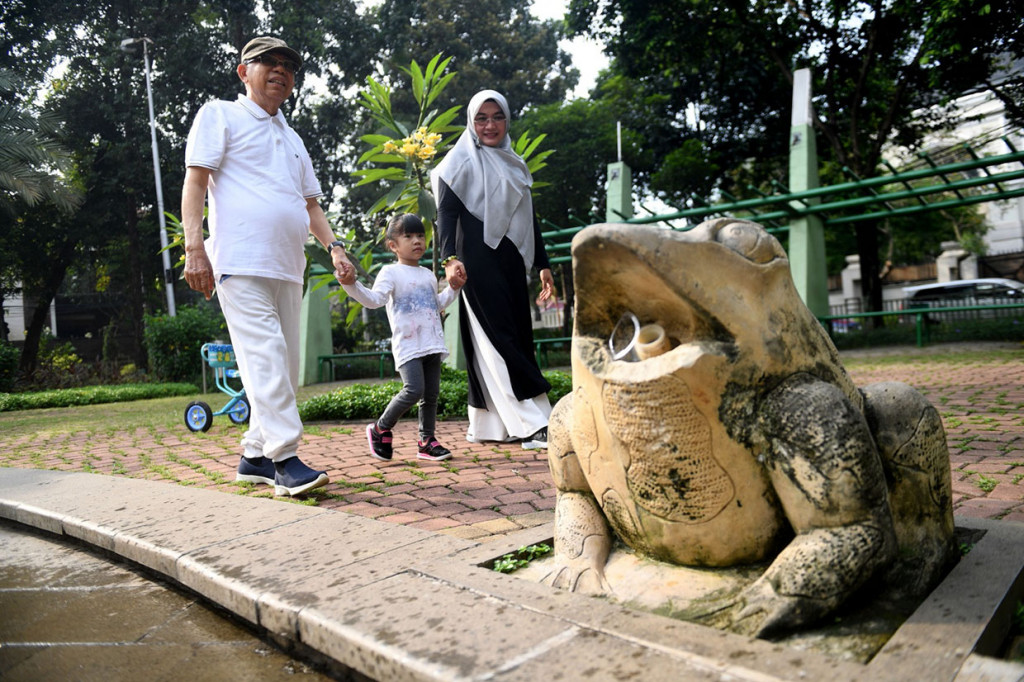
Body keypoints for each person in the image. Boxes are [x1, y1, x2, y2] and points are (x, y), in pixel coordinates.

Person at [181, 36, 353, 496]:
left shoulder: (292, 137)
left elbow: (311, 206)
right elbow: (196, 182)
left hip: (287, 266)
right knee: (266, 359)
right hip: (240, 261)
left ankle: (254, 455)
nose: (280, 71)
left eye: (288, 67)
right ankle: (285, 461)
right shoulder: (220, 115)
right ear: (243, 71)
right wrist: (194, 248)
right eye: (268, 62)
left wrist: (335, 247)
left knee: (285, 365)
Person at [430, 89, 555, 450]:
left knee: (515, 333)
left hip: (512, 259)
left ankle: (489, 425)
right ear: (471, 122)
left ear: (507, 120)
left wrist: (543, 264)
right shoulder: (460, 161)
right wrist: (449, 258)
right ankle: (531, 422)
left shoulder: (514, 162)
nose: (489, 125)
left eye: (497, 117)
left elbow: (528, 218)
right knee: (497, 335)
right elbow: (446, 214)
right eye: (481, 118)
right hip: (476, 261)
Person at [338, 214, 464, 462]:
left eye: (420, 235)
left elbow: (436, 304)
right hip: (408, 344)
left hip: (432, 343)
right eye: (408, 236)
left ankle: (426, 441)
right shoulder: (390, 272)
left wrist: (454, 287)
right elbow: (375, 300)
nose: (417, 241)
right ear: (393, 245)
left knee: (431, 395)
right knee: (414, 390)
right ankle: (380, 428)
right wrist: (350, 285)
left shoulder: (428, 274)